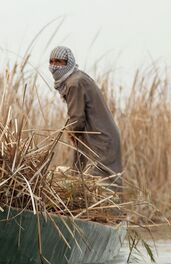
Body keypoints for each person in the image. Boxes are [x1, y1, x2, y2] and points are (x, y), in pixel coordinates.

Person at [49, 46, 123, 189]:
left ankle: (111, 211)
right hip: (99, 137)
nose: (54, 66)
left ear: (68, 63)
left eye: (59, 62)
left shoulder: (74, 83)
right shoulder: (78, 77)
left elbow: (77, 119)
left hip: (100, 139)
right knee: (88, 179)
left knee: (100, 183)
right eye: (51, 62)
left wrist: (71, 132)